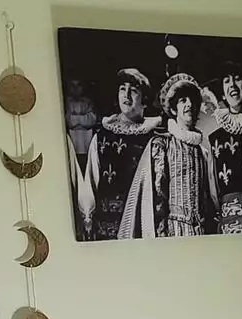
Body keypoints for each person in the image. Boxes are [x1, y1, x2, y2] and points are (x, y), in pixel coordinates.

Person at [118, 73, 217, 239]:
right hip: (173, 231)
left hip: (200, 233)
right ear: (173, 109)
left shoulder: (203, 152)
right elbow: (155, 198)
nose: (189, 105)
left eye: (192, 100)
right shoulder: (162, 144)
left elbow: (209, 199)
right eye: (182, 101)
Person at [77, 68, 162, 241]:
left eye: (134, 90)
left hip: (140, 223)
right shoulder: (102, 136)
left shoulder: (153, 139)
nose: (126, 95)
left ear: (144, 100)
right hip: (105, 227)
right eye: (123, 89)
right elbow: (90, 184)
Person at [203, 59, 242, 234]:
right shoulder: (215, 138)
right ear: (223, 94)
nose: (232, 84)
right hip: (231, 212)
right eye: (227, 81)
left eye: (237, 79)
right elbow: (212, 181)